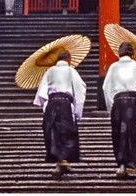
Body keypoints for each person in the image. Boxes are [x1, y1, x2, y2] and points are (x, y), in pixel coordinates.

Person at [33, 50, 87, 179]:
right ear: (68, 59)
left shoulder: (49, 71)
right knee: (67, 132)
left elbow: (42, 92)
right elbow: (80, 90)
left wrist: (45, 108)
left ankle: (60, 162)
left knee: (53, 133)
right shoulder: (71, 71)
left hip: (52, 103)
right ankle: (63, 161)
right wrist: (78, 110)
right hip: (65, 103)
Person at [102, 42, 136, 179]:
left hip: (118, 102)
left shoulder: (113, 67)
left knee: (118, 134)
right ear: (131, 53)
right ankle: (131, 163)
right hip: (133, 102)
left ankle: (121, 164)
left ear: (119, 52)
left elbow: (106, 87)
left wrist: (110, 106)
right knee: (132, 132)